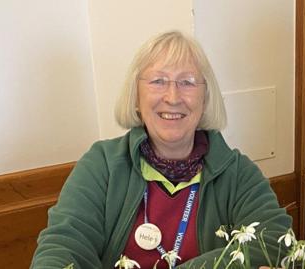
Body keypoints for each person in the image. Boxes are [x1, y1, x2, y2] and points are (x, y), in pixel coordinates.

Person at [30, 31, 291, 269]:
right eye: (158, 81)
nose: (173, 97)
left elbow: (274, 241)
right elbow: (63, 246)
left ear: (205, 99)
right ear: (136, 97)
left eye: (187, 82)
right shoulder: (102, 165)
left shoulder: (237, 173)